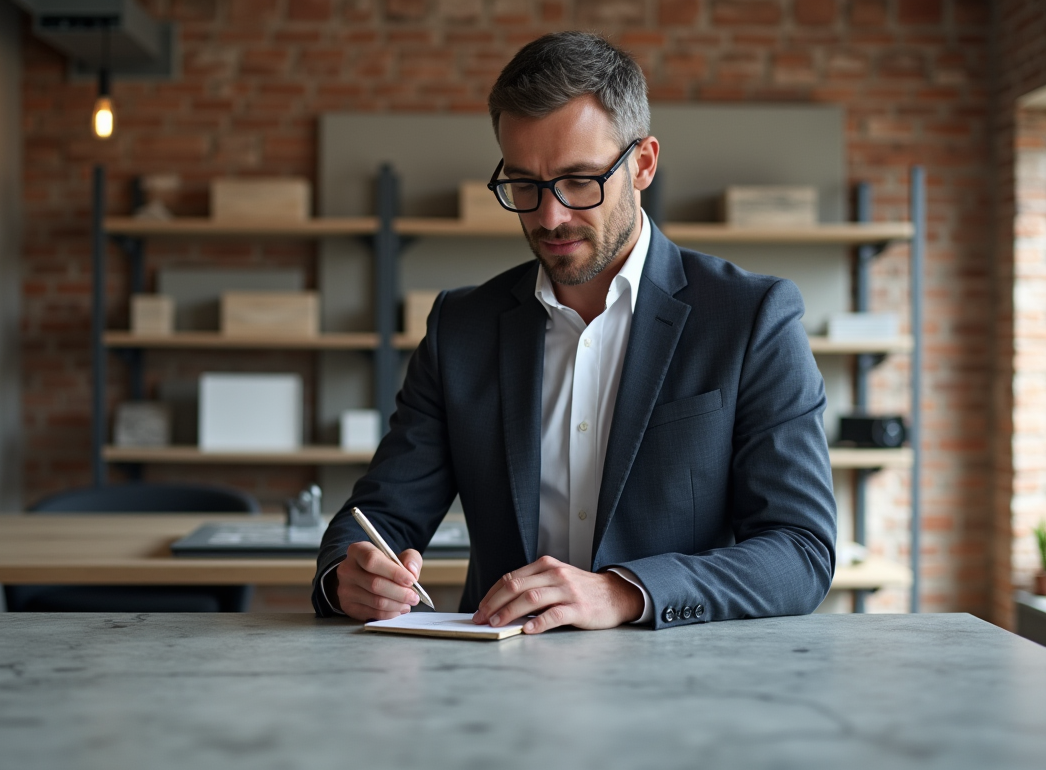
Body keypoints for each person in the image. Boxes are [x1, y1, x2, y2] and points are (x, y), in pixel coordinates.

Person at [312, 31, 836, 633]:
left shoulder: (752, 318)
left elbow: (800, 550)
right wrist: (347, 577)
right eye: (524, 185)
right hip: (494, 687)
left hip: (683, 687)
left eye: (579, 180)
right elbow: (376, 516)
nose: (549, 216)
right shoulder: (461, 328)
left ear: (642, 164)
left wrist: (624, 593)